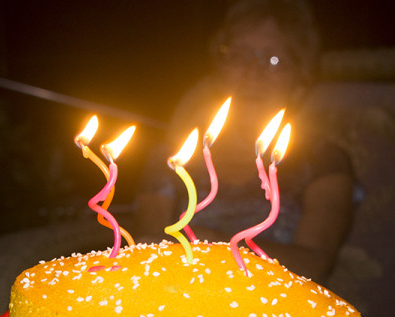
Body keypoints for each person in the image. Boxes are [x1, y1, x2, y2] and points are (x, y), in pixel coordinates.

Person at [134, 0, 354, 283]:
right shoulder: (174, 157)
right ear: (218, 70)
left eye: (275, 60)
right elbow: (146, 248)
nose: (253, 73)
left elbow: (313, 263)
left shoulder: (324, 162)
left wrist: (214, 244)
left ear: (301, 82)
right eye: (238, 56)